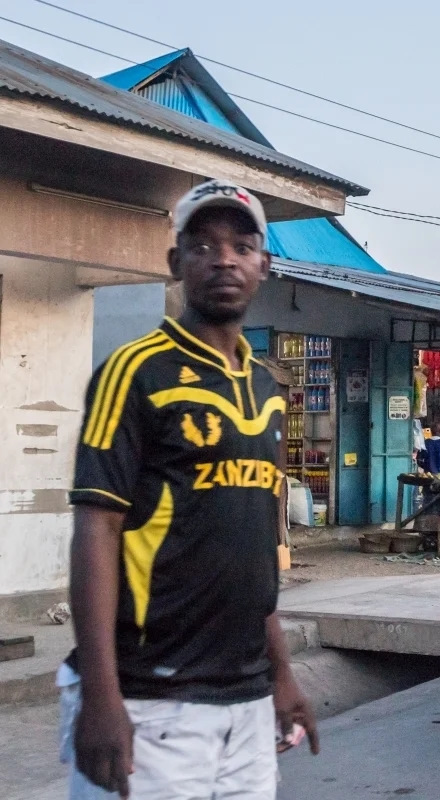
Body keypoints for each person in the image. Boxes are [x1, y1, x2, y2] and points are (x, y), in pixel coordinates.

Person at [62, 181, 318, 799]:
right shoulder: (134, 373)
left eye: (241, 244)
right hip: (151, 698)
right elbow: (96, 530)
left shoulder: (266, 389)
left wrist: (282, 674)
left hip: (246, 699)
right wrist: (102, 696)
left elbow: (253, 546)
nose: (223, 258)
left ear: (264, 265)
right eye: (202, 245)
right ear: (176, 264)